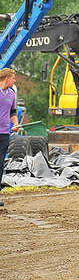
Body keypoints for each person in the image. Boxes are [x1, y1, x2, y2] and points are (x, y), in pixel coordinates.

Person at [0, 68, 19, 206]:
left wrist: (16, 123)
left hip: (4, 133)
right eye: (13, 78)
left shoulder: (11, 94)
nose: (15, 80)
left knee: (0, 165)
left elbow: (13, 112)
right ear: (6, 78)